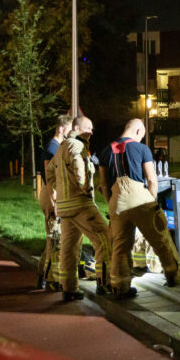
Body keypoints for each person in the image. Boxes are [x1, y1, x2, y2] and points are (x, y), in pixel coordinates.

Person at [98, 118, 180, 300]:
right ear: (138, 132)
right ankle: (174, 276)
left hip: (117, 201)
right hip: (139, 199)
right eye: (142, 136)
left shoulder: (105, 151)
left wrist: (111, 203)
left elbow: (103, 184)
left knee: (120, 246)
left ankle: (120, 286)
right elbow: (152, 180)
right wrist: (151, 203)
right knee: (161, 239)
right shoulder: (142, 149)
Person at [46, 116, 111, 302]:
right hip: (81, 204)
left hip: (66, 207)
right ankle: (105, 283)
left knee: (69, 248)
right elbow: (77, 164)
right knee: (104, 240)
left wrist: (59, 191)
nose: (91, 131)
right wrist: (84, 186)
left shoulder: (60, 149)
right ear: (76, 127)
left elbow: (50, 172)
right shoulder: (77, 145)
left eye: (92, 128)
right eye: (88, 127)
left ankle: (69, 289)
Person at [36, 114, 73, 290]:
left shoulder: (55, 147)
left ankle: (43, 274)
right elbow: (50, 177)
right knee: (54, 239)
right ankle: (49, 279)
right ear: (61, 129)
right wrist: (56, 201)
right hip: (53, 197)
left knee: (52, 239)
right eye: (69, 129)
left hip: (53, 196)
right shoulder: (53, 148)